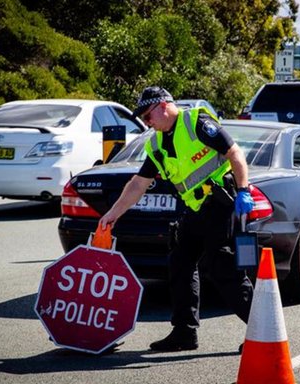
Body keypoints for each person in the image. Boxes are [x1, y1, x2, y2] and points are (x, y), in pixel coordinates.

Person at [99, 86, 255, 352]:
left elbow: (234, 153)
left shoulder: (197, 122)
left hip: (221, 203)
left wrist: (243, 190)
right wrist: (112, 214)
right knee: (180, 261)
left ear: (162, 106)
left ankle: (261, 330)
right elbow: (138, 183)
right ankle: (184, 333)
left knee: (222, 267)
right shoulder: (157, 144)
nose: (147, 124)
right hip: (195, 210)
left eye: (148, 117)